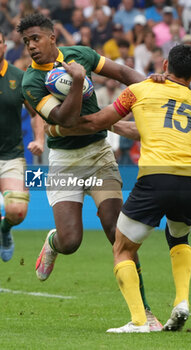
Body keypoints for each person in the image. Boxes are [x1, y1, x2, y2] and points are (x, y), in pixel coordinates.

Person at [16, 13, 162, 331]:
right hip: (66, 163)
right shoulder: (31, 81)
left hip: (98, 155)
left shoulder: (79, 54)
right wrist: (79, 82)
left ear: (53, 37)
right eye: (26, 41)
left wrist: (152, 88)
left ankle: (145, 313)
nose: (31, 46)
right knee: (71, 241)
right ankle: (53, 243)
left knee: (117, 232)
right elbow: (65, 120)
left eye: (36, 38)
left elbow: (122, 72)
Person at [50, 44, 191, 333]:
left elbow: (97, 120)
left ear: (164, 63)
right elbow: (149, 129)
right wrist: (119, 128)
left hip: (156, 178)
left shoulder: (142, 90)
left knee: (122, 248)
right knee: (179, 240)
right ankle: (182, 301)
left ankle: (138, 321)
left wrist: (59, 128)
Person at [0, 29, 44, 262]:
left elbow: (36, 113)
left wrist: (39, 139)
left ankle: (5, 229)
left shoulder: (19, 76)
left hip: (10, 155)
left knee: (17, 211)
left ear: (4, 46)